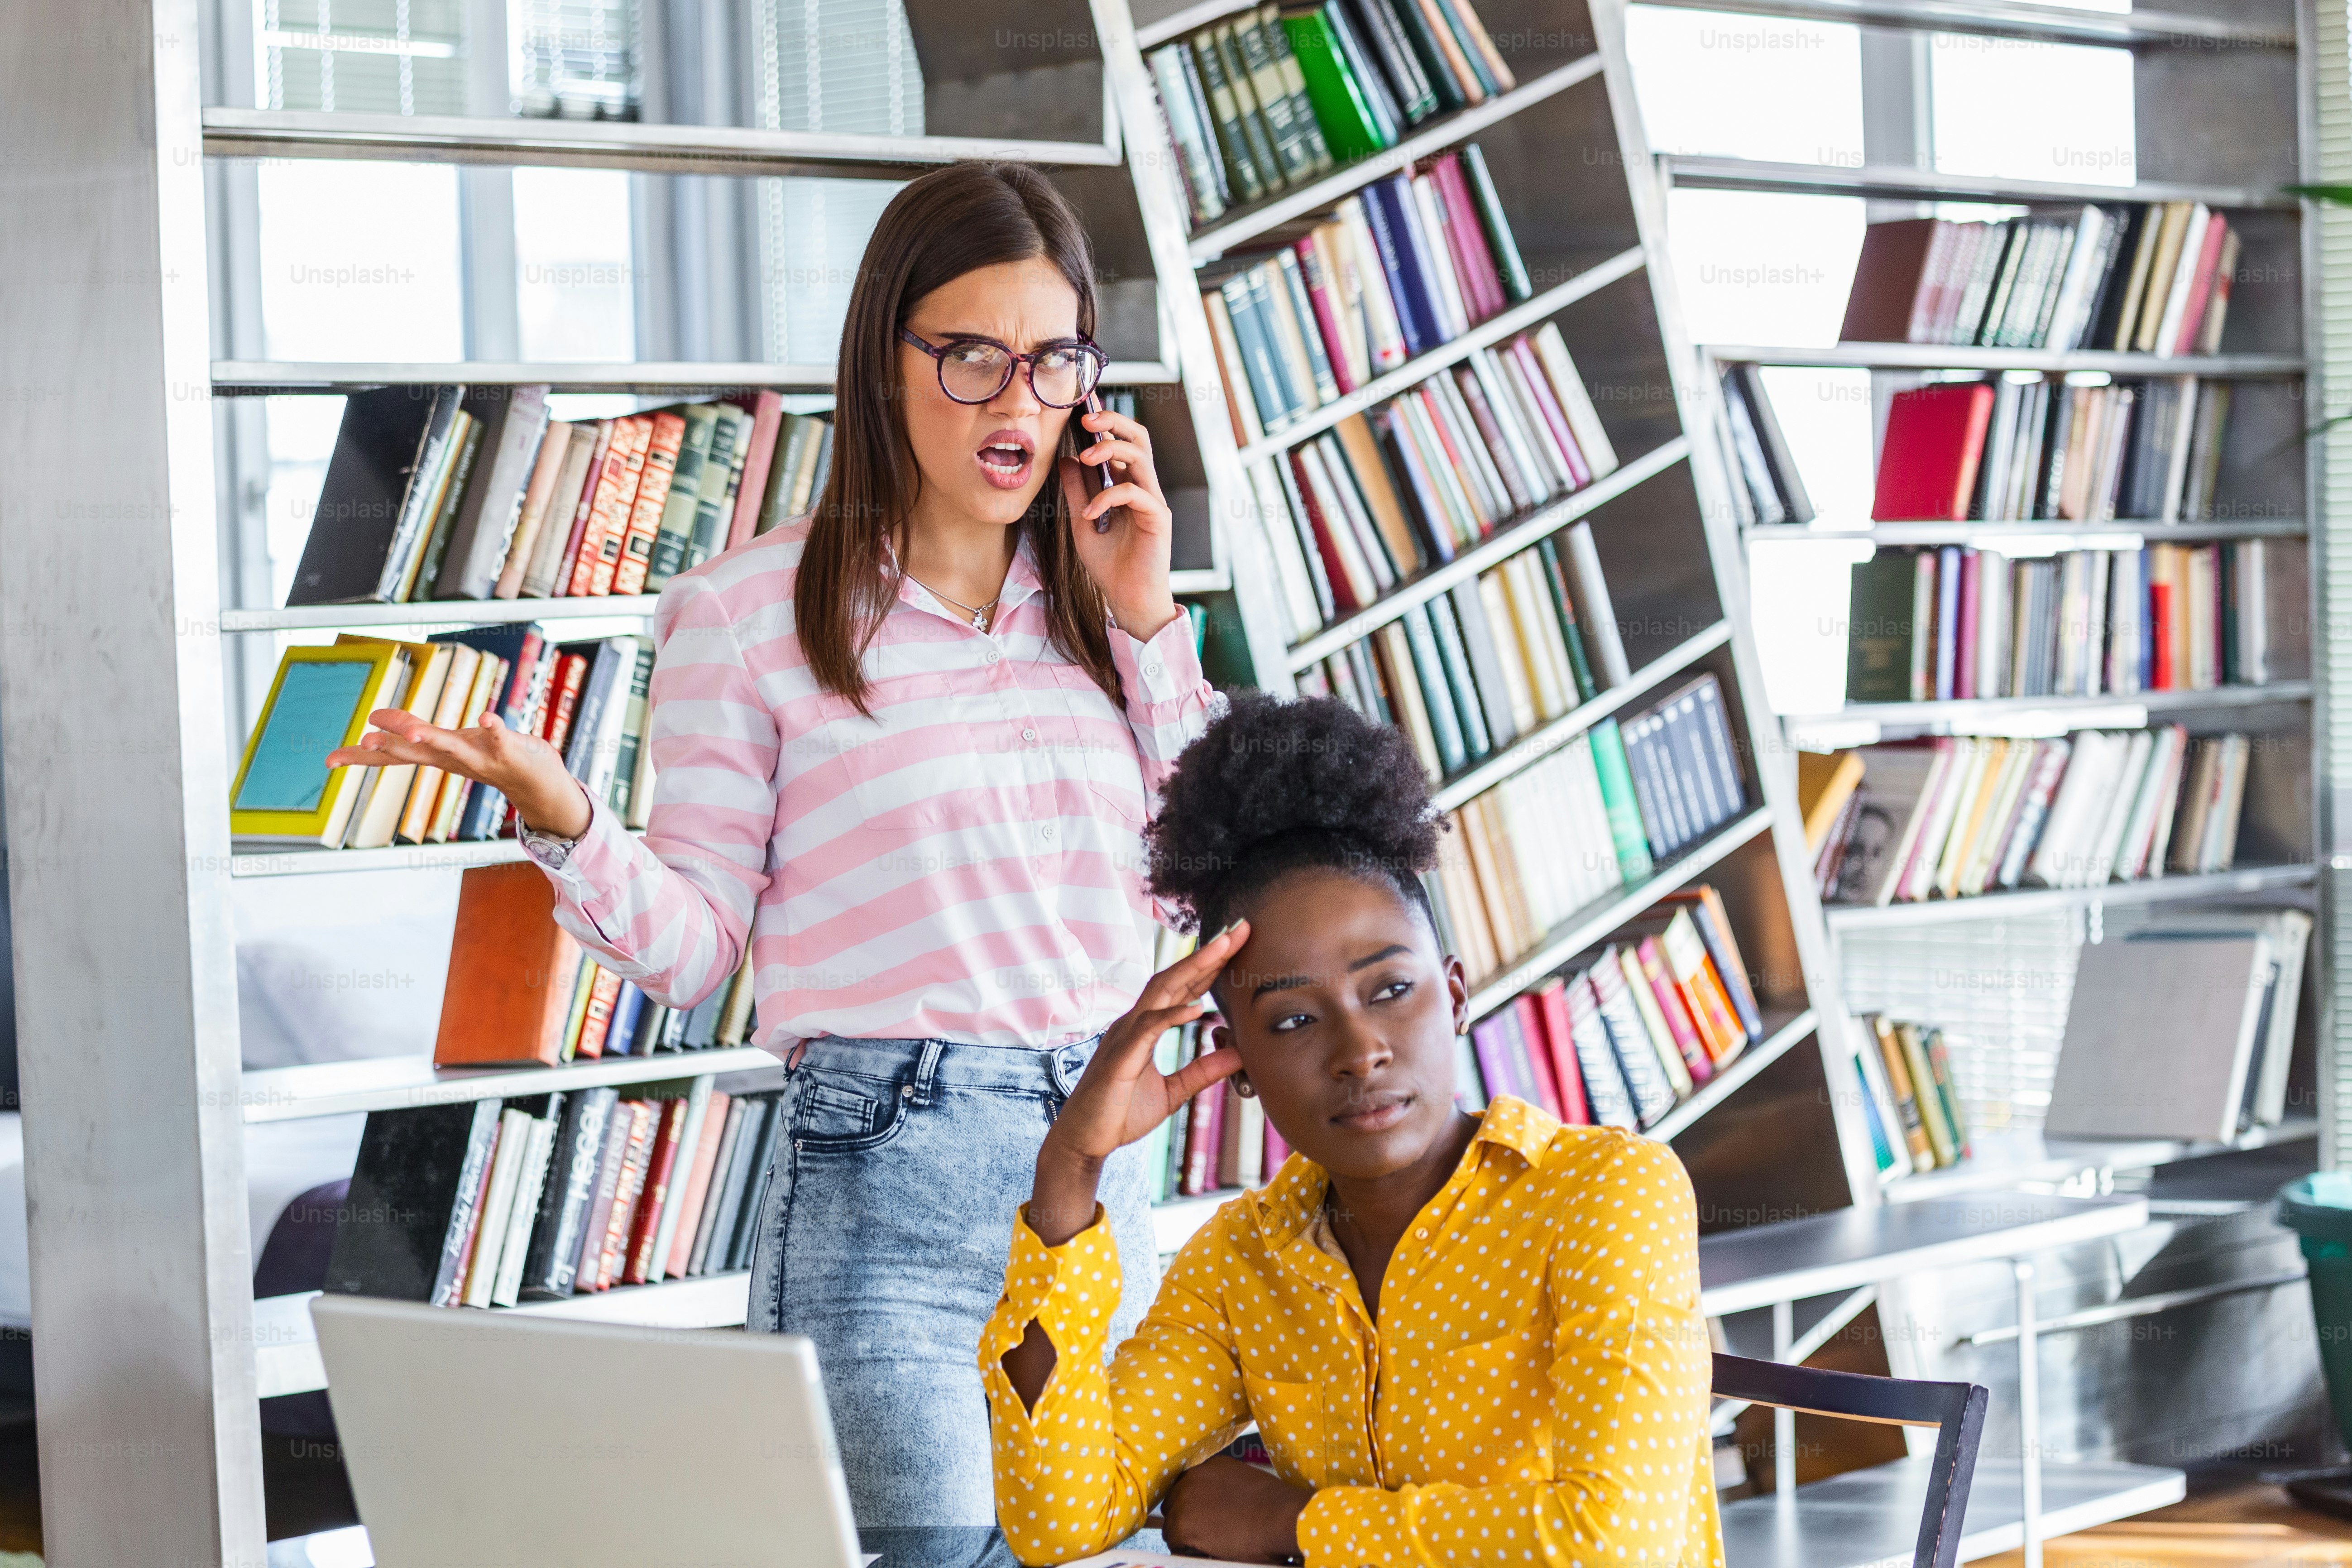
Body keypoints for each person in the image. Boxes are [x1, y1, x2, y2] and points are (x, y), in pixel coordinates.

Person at [326, 162, 1215, 1528]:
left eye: (1052, 364)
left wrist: (1147, 609)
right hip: (888, 1200)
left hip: (1100, 1197)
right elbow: (691, 955)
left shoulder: (1107, 609)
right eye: (972, 357)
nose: (1019, 406)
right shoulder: (745, 615)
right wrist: (566, 820)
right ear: (884, 357)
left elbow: (1214, 863)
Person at [979, 693, 1724, 1568]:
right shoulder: (1242, 1263)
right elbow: (1057, 1519)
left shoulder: (1607, 1193)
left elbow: (1612, 1546)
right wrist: (1073, 1163)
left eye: (1389, 991)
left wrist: (1294, 1524)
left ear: (1454, 995)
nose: (1359, 1051)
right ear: (1239, 1064)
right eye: (1294, 1022)